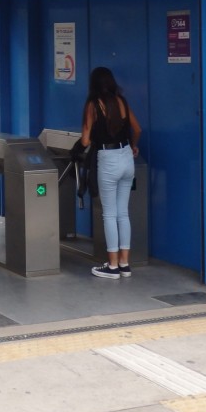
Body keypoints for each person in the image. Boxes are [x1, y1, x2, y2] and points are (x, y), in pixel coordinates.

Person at [82, 66, 142, 280]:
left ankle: (113, 266)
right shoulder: (122, 102)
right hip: (127, 156)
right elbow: (138, 129)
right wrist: (133, 146)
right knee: (123, 213)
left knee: (109, 214)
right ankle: (125, 264)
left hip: (108, 159)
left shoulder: (93, 105)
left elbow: (86, 140)